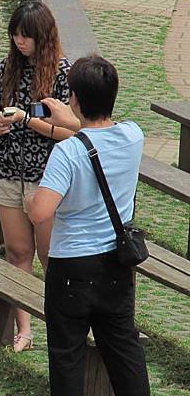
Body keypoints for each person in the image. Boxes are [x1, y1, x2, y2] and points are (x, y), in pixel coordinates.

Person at [24, 55, 150, 396]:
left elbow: (40, 213)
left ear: (74, 98)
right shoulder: (133, 137)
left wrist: (29, 200)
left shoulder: (67, 153)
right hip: (115, 264)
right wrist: (76, 121)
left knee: (67, 356)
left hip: (71, 267)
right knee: (124, 348)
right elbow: (104, 132)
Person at [0, 0, 73, 352]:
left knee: (52, 257)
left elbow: (73, 132)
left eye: (27, 36)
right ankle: (24, 329)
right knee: (18, 253)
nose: (20, 42)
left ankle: (59, 325)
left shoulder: (63, 76)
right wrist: (0, 124)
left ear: (43, 36)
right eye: (16, 35)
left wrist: (27, 120)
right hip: (7, 172)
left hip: (46, 177)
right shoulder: (4, 69)